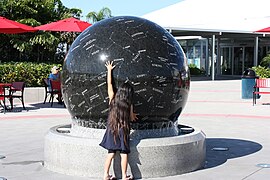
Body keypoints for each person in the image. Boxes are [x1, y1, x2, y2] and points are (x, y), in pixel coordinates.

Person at [100, 61, 137, 180]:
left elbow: (109, 84)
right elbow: (132, 118)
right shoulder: (129, 104)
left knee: (110, 153)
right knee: (124, 153)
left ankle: (105, 175)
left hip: (112, 129)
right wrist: (133, 114)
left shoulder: (113, 99)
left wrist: (109, 70)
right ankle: (125, 175)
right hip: (123, 130)